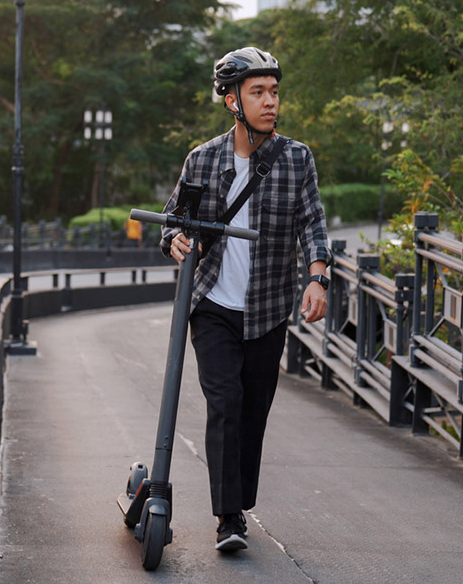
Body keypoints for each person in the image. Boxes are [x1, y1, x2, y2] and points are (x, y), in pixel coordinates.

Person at [159, 47, 330, 553]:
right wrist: (175, 240)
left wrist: (317, 278)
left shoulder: (297, 159)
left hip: (268, 308)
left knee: (253, 410)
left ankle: (239, 502)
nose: (270, 101)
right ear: (232, 100)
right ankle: (228, 518)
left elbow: (313, 224)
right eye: (258, 92)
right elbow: (172, 220)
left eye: (274, 91)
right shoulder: (203, 158)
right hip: (211, 303)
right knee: (225, 403)